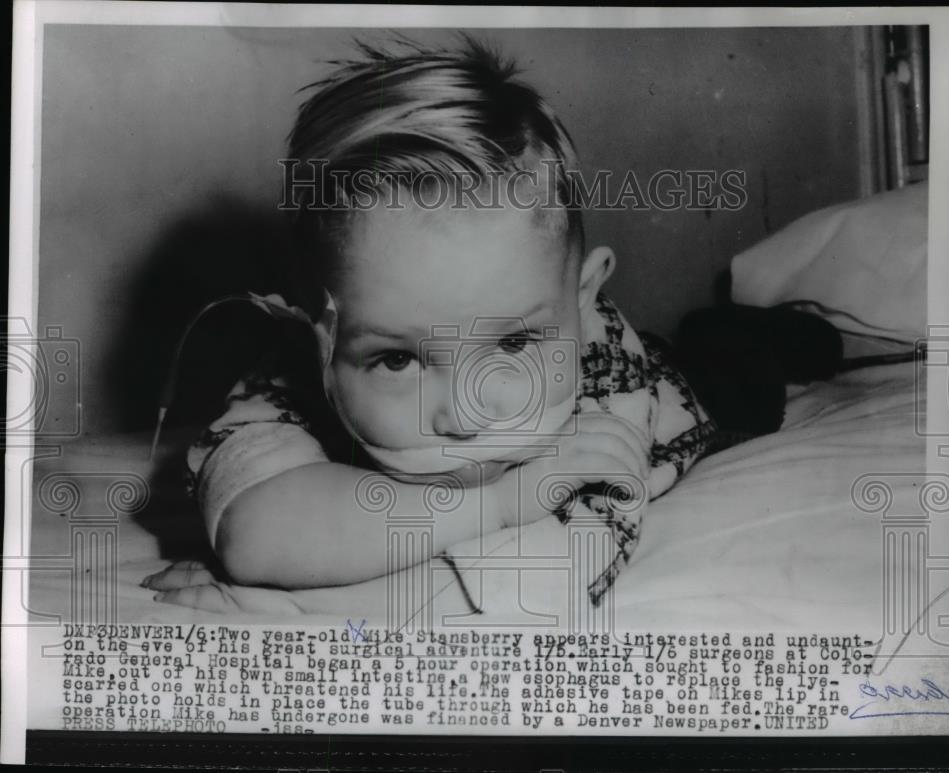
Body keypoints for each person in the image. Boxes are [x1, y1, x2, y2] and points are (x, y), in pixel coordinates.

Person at [144, 39, 716, 605]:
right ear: (317, 339)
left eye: (513, 343)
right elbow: (259, 535)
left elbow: (539, 580)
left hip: (691, 379)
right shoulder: (288, 385)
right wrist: (498, 503)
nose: (465, 414)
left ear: (583, 298)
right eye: (398, 359)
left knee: (731, 367)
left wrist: (296, 589)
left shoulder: (605, 371)